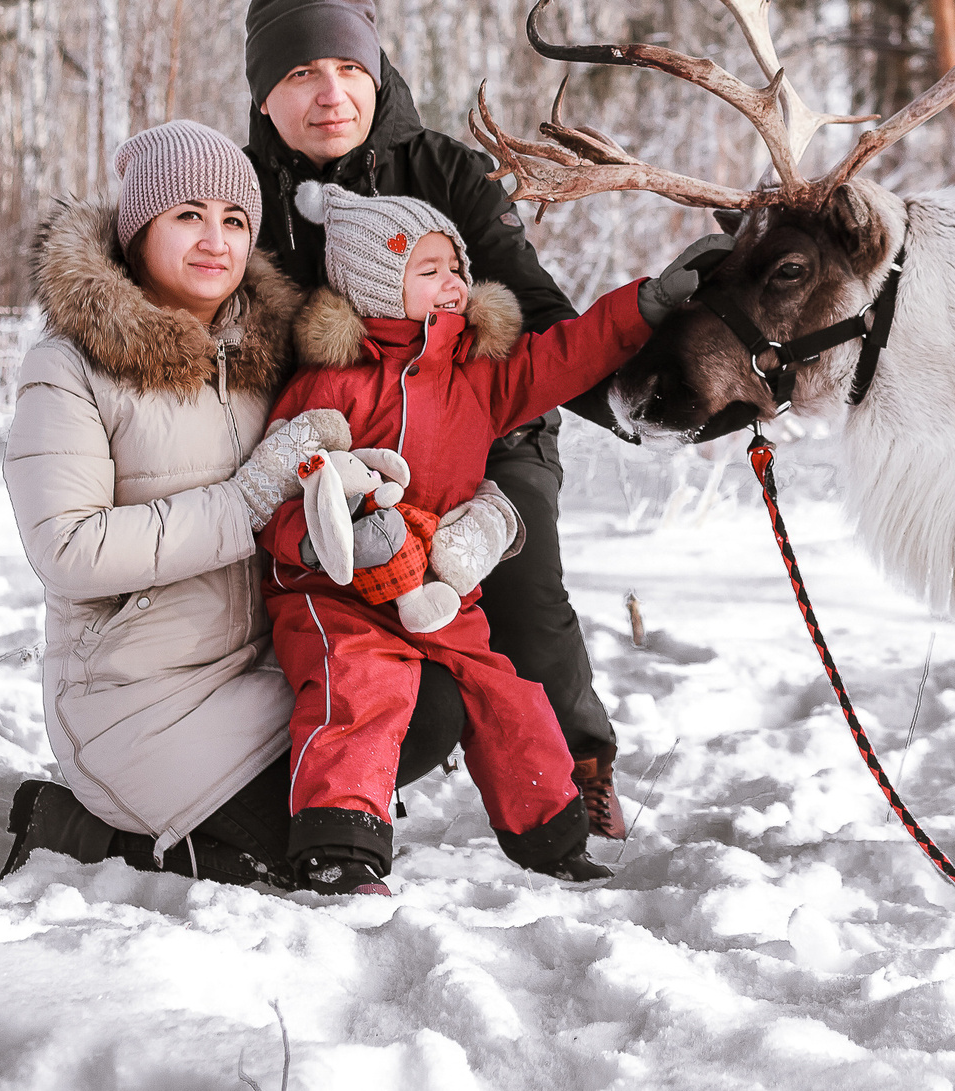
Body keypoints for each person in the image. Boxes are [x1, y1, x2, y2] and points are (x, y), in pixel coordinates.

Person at [0, 121, 452, 885]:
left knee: (424, 703)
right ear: (139, 230)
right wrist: (242, 504)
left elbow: (300, 485)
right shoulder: (68, 367)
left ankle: (252, 822)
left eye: (234, 220)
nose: (215, 239)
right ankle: (78, 825)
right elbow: (66, 550)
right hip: (133, 701)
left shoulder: (267, 354)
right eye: (187, 215)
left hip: (261, 669)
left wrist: (346, 496)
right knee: (302, 846)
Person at [241, 0, 634, 837]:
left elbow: (537, 309)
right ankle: (344, 764)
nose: (329, 92)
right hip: (344, 453)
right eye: (300, 73)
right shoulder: (249, 198)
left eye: (346, 67)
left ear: (375, 70)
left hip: (484, 423)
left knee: (522, 584)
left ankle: (581, 767)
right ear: (266, 96)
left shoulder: (445, 168)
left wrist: (631, 399)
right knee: (319, 604)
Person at [254, 183, 724, 894]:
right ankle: (338, 846)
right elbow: (276, 500)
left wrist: (645, 305)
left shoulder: (475, 375)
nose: (455, 283)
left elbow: (563, 357)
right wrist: (322, 544)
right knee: (362, 687)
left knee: (506, 692)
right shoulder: (331, 386)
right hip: (336, 592)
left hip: (439, 589)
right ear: (378, 283)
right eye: (430, 269)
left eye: (456, 266)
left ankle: (555, 836)